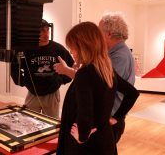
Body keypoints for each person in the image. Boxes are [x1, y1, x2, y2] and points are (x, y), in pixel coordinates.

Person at [54, 21, 139, 154]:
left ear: (83, 46)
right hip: (104, 139)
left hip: (85, 146)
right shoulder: (106, 69)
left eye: (72, 47)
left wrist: (82, 137)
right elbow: (132, 93)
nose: (71, 51)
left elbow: (85, 112)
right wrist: (117, 117)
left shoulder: (85, 73)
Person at [11, 19, 74, 118]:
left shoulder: (57, 48)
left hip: (52, 95)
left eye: (47, 30)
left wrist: (60, 80)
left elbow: (71, 65)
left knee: (51, 126)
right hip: (32, 94)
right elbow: (14, 66)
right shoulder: (27, 49)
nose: (46, 34)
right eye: (42, 31)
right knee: (28, 125)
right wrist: (22, 81)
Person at [98, 12, 135, 145]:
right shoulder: (117, 53)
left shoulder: (119, 57)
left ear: (108, 34)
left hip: (111, 119)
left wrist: (71, 72)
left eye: (99, 31)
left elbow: (102, 84)